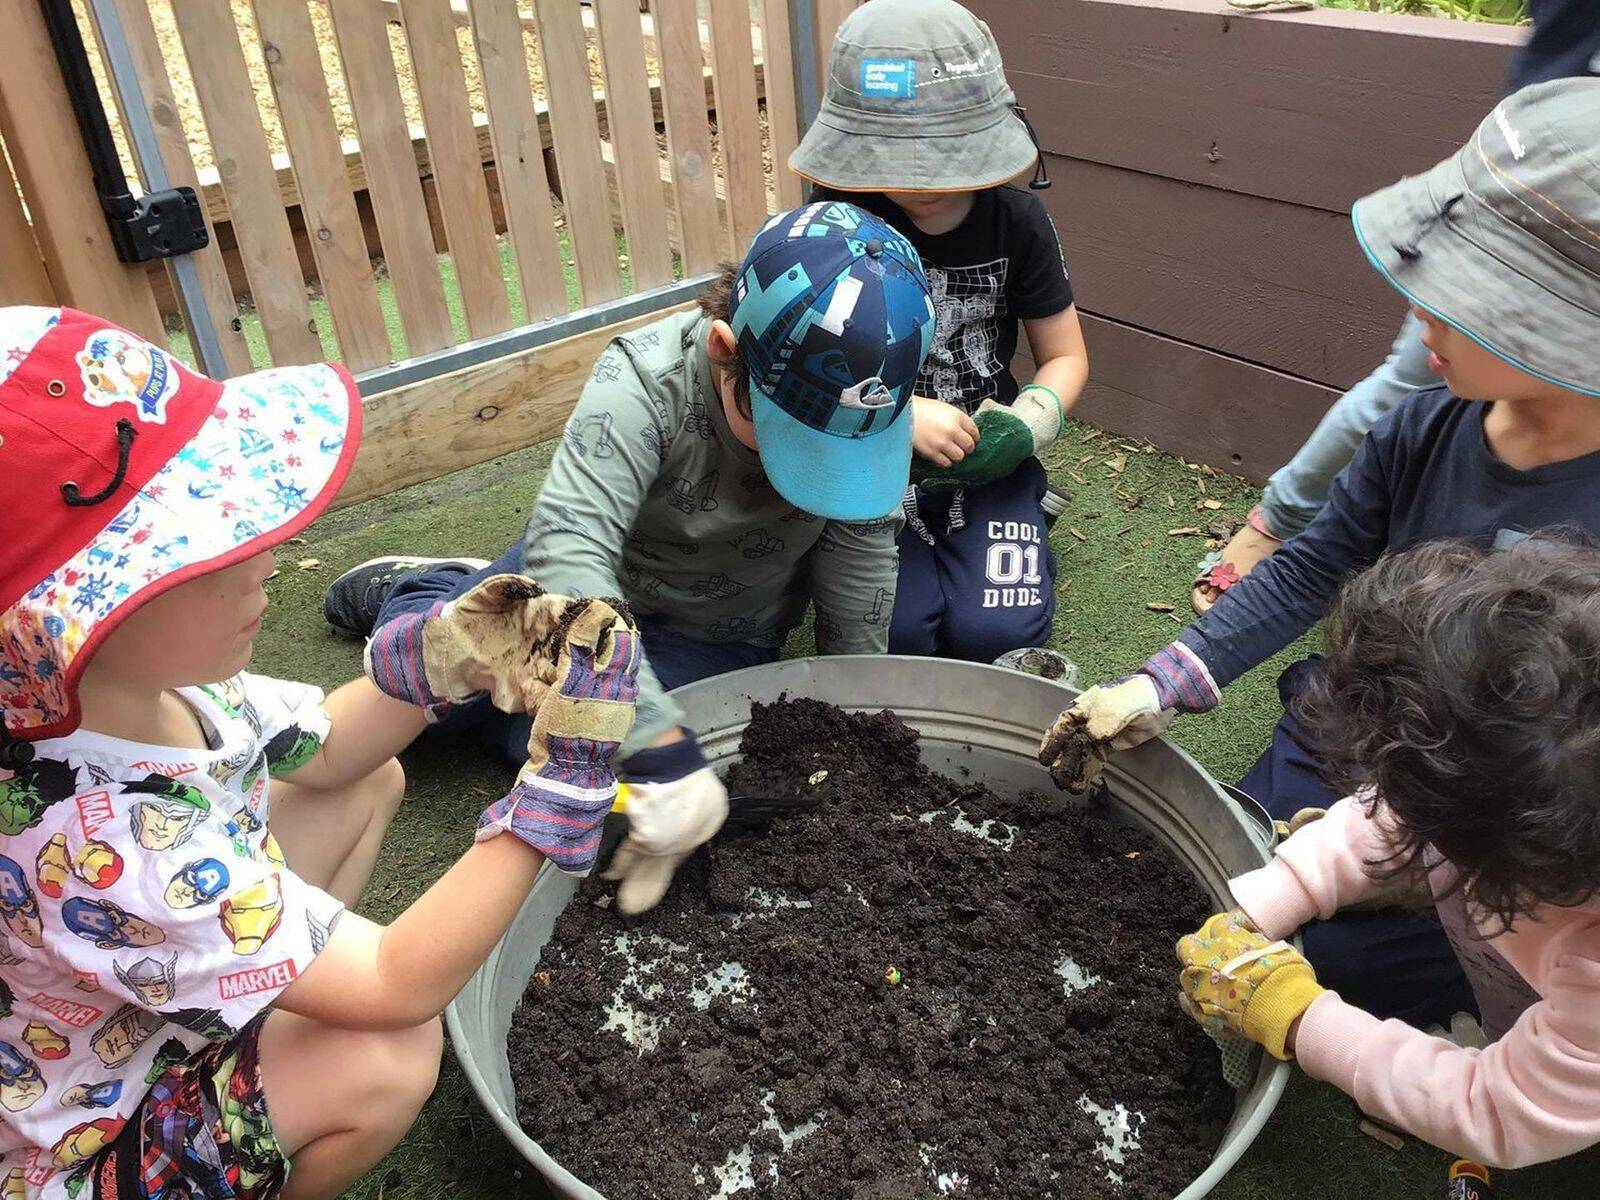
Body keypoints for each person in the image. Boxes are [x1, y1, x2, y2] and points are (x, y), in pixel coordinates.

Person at [0, 305, 640, 1198]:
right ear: (79, 623)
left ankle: (259, 993)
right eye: (211, 548)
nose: (267, 556)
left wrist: (445, 662)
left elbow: (332, 752)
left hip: (145, 994)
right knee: (384, 1050)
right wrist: (557, 794)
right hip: (85, 1143)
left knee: (369, 783)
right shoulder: (105, 845)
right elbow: (395, 983)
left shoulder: (149, 691)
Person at [1041, 77, 1600, 1030]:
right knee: (1239, 867)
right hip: (1363, 724)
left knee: (1343, 959)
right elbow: (1310, 564)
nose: (1423, 317)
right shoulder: (1422, 427)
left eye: (1467, 303)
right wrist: (1160, 684)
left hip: (1501, 799)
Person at [322, 202, 936, 915]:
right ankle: (430, 586)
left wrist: (852, 715)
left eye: (841, 455)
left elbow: (860, 556)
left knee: (566, 753)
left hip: (716, 631)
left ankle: (522, 675)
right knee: (429, 705)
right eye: (792, 439)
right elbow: (570, 546)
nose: (816, 473)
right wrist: (664, 745)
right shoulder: (644, 382)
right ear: (722, 351)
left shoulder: (865, 411)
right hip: (583, 589)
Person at [1176, 534, 1600, 1168]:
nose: (1404, 816)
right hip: (1537, 968)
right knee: (1351, 955)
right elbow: (1390, 817)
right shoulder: (1513, 754)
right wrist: (1265, 904)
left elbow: (1495, 1111)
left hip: (1573, 1038)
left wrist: (1300, 1018)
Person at [1191, 0, 1600, 613]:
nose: (1416, 305)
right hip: (1515, 207)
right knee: (1403, 388)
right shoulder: (1416, 427)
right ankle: (1277, 520)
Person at [789, 0, 1089, 663]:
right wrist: (896, 418)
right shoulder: (837, 217)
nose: (917, 182)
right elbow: (805, 360)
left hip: (986, 454)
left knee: (998, 634)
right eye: (889, 156)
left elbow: (1064, 355)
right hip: (871, 453)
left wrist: (1029, 422)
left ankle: (1024, 512)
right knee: (899, 635)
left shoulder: (1018, 222)